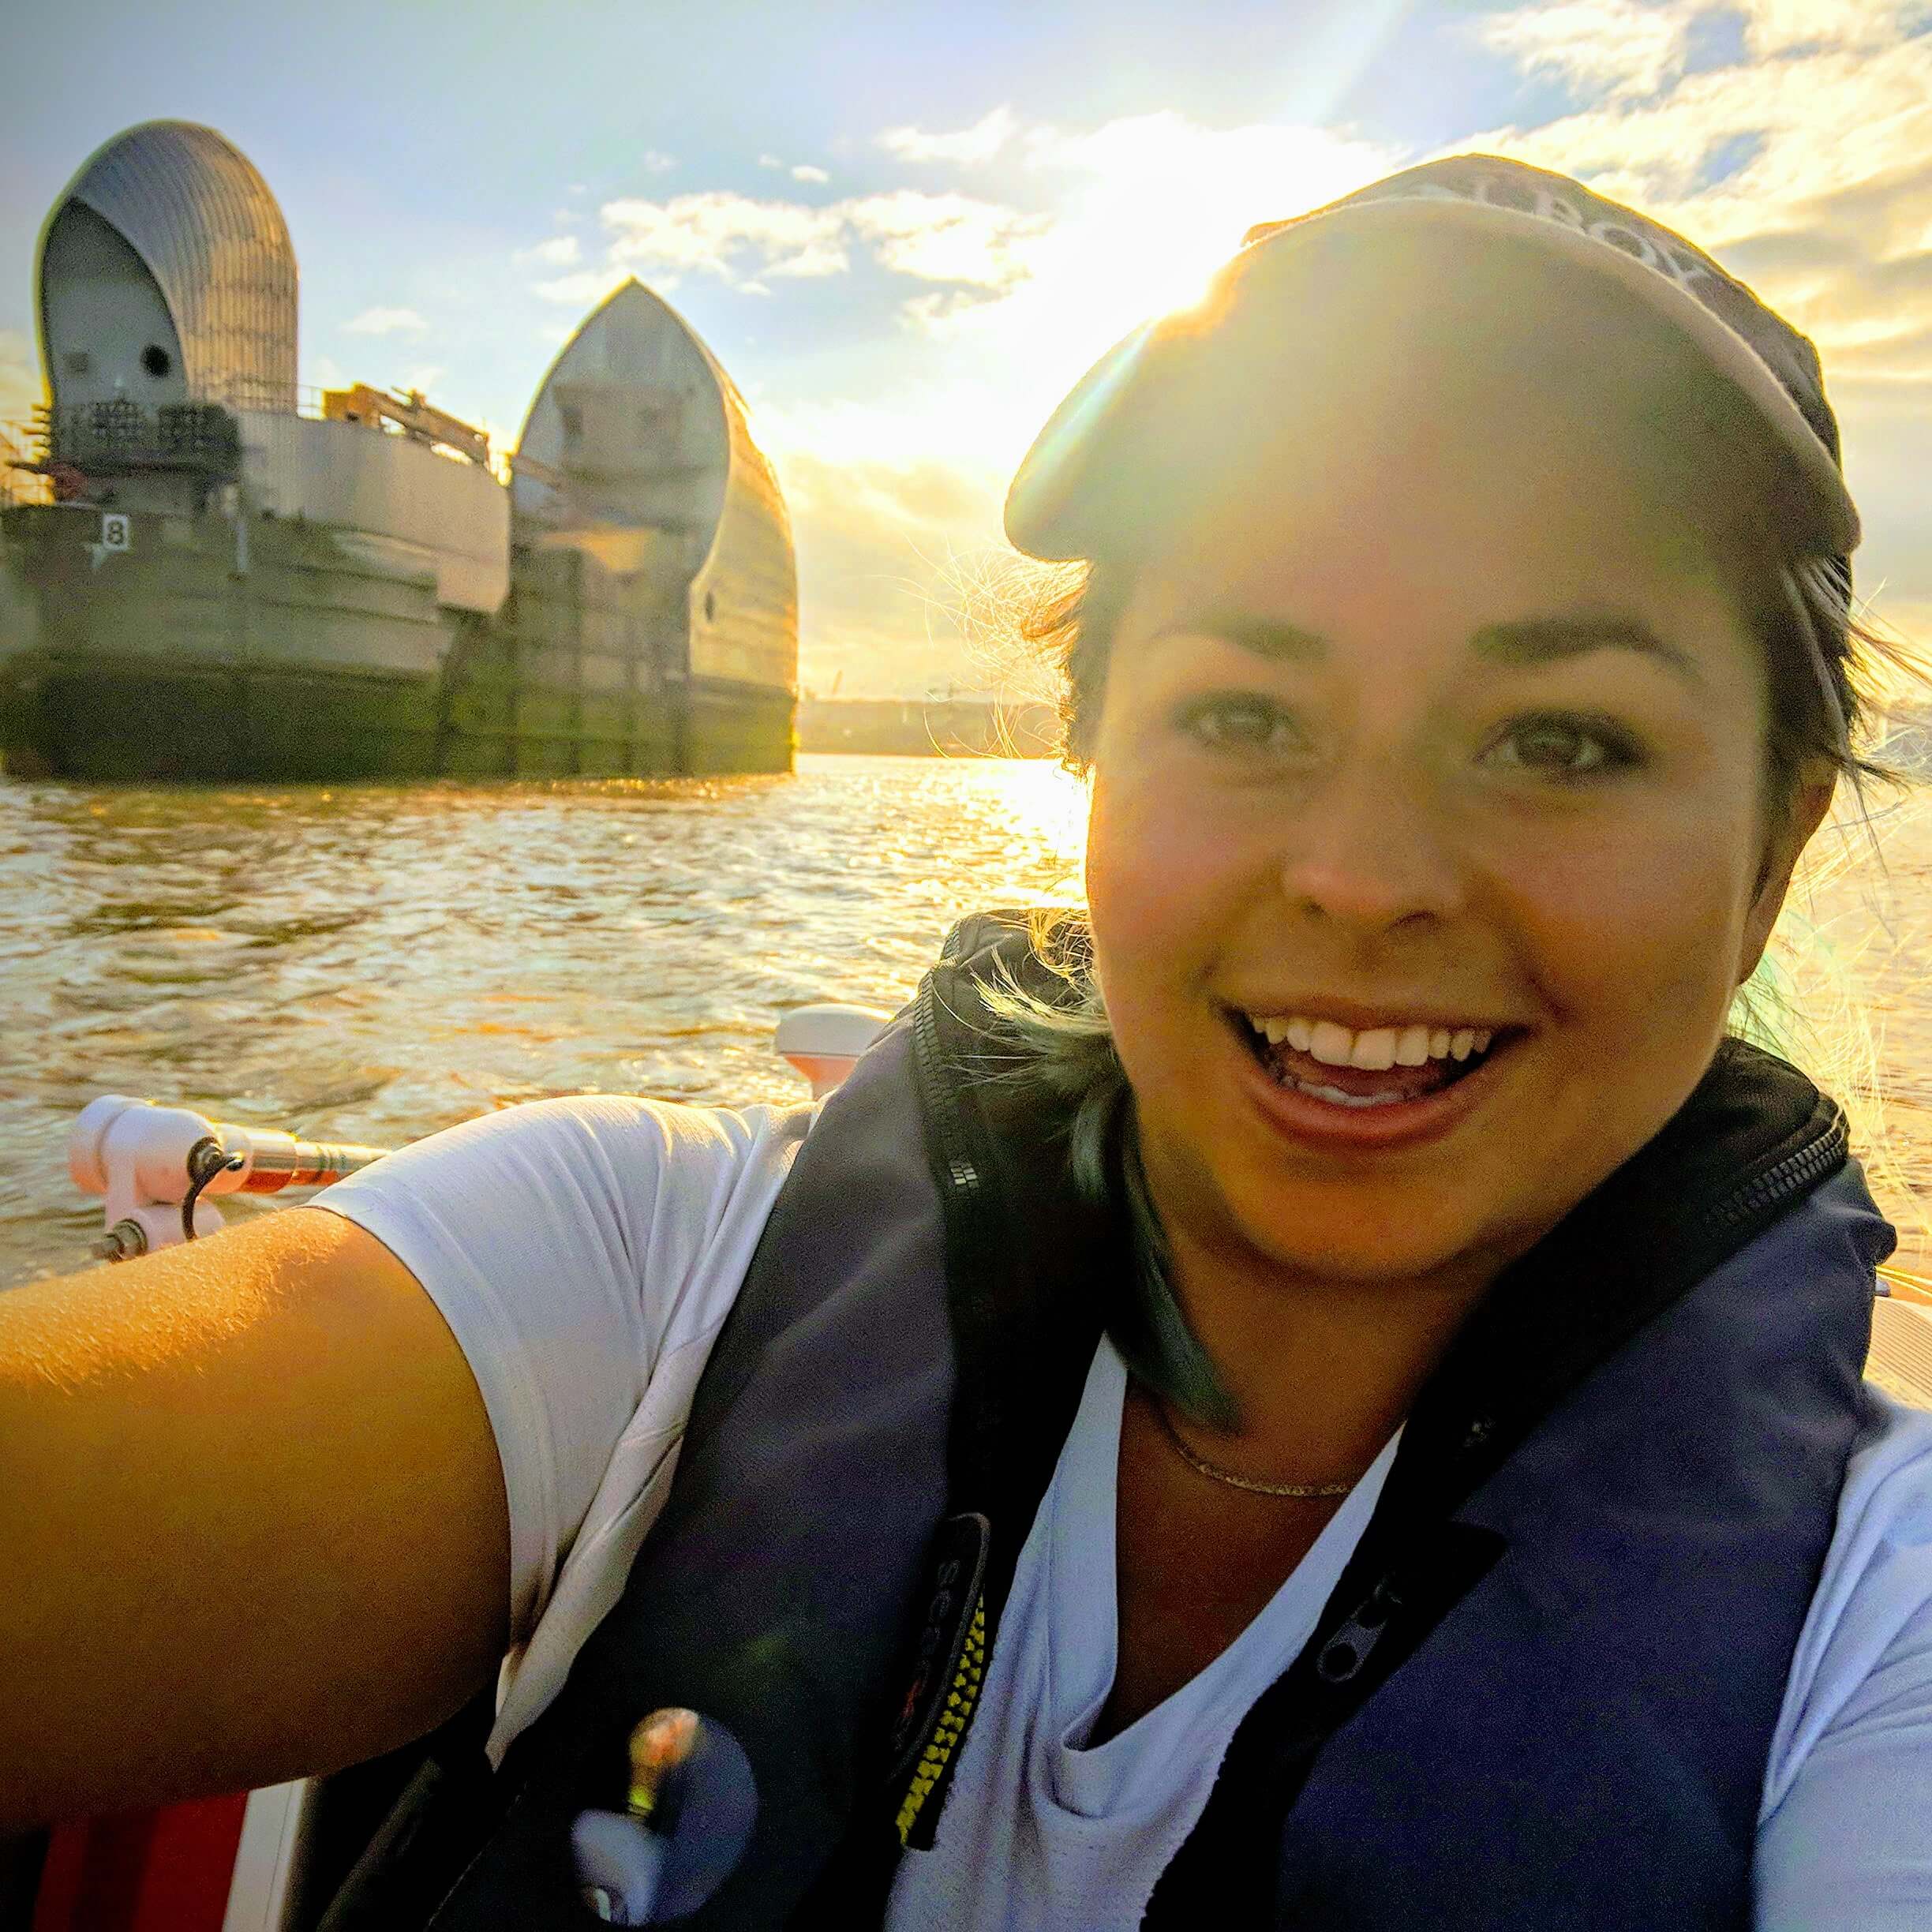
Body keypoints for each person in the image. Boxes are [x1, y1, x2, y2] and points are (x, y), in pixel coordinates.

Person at [3, 154, 1930, 1930]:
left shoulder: (1877, 1628)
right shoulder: (654, 1293)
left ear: (1771, 854)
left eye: (1563, 742)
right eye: (1249, 713)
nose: (1362, 877)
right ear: (1087, 765)